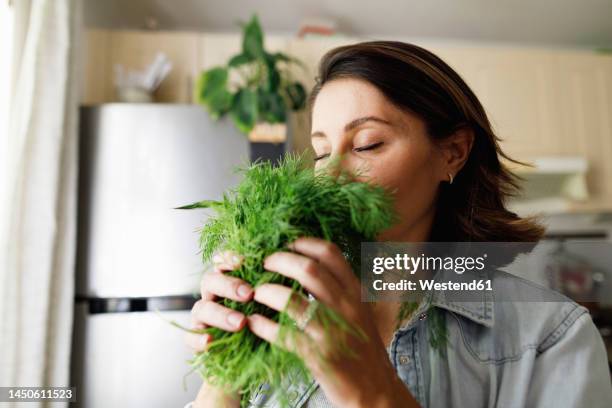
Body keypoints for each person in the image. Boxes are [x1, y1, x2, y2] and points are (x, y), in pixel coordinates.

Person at [183, 41, 612, 408]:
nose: (330, 176)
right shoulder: (279, 305)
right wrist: (223, 375)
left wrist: (376, 394)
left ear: (453, 153)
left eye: (367, 144)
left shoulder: (549, 337)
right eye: (320, 152)